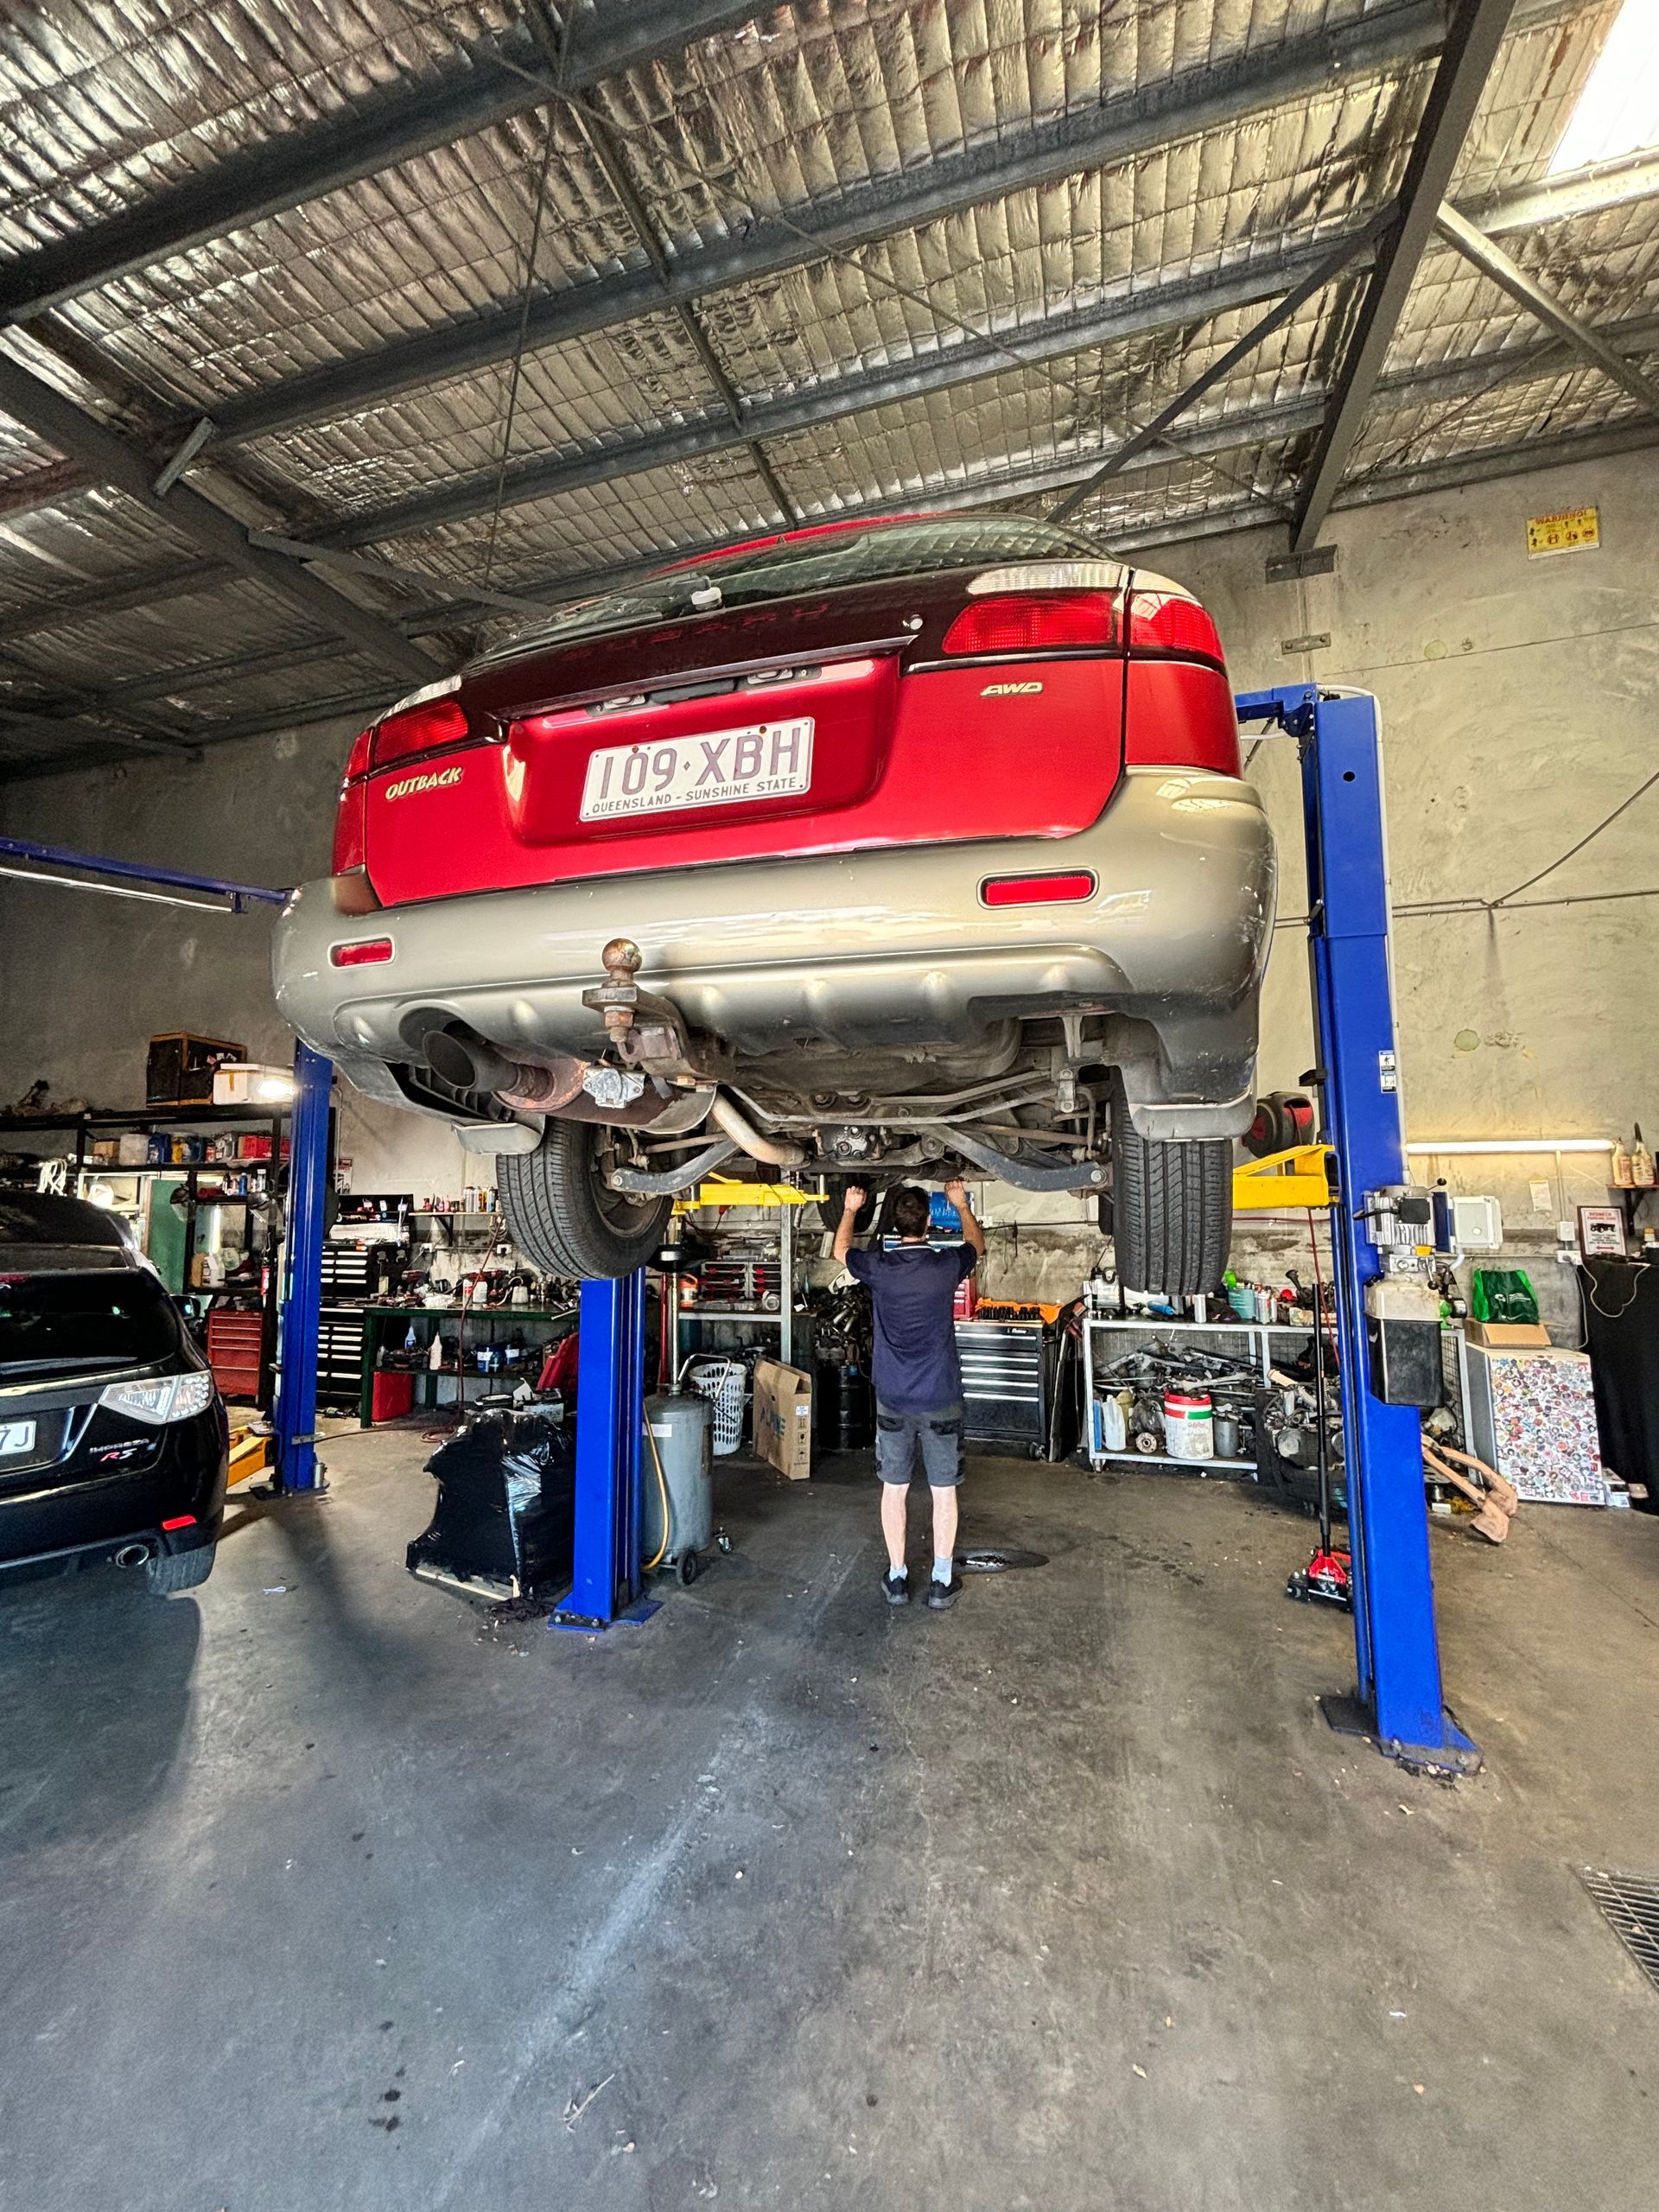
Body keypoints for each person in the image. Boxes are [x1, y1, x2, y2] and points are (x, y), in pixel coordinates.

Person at [833, 1178, 985, 1610]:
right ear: (928, 1223)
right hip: (940, 1397)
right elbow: (977, 1245)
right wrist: (960, 1205)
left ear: (896, 1225)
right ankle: (941, 1581)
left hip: (894, 1399)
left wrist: (850, 1208)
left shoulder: (879, 1267)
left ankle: (898, 1577)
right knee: (944, 1491)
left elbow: (840, 1250)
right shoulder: (945, 1267)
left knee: (894, 1489)